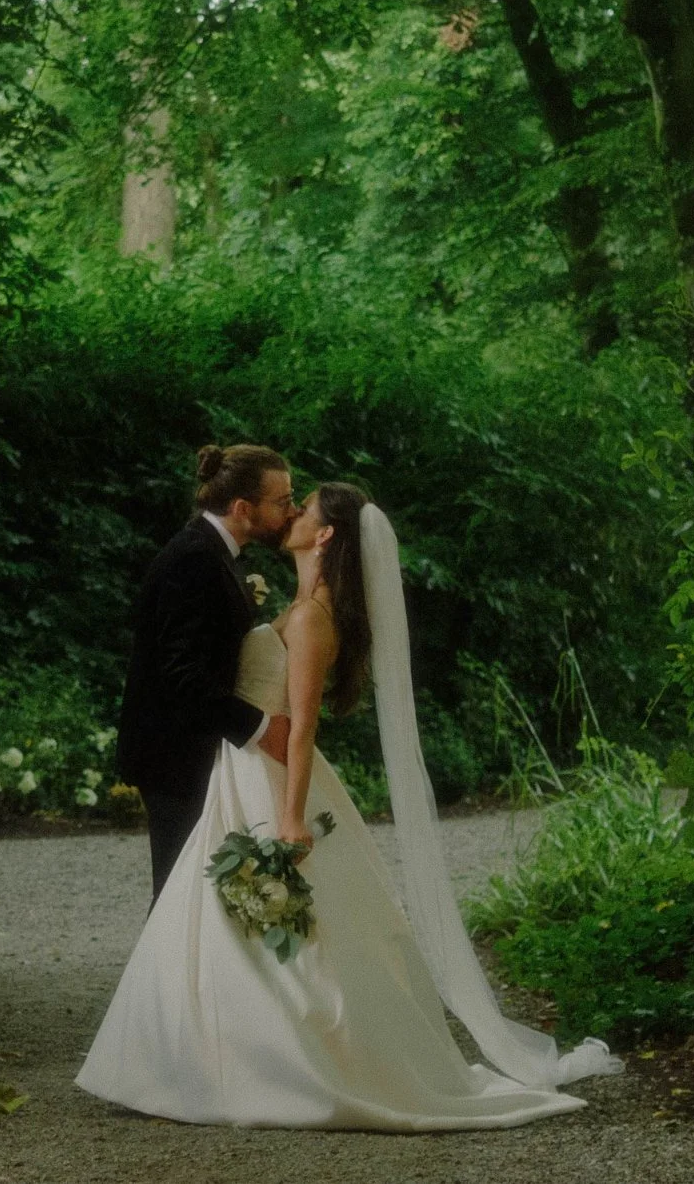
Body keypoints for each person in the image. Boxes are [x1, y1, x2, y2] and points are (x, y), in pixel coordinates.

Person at [78, 482, 621, 1130]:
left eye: (302, 508)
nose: (293, 514)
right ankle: (189, 1062)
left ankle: (248, 1066)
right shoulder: (303, 605)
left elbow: (301, 727)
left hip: (269, 780)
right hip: (241, 772)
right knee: (212, 920)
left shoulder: (312, 617)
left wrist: (289, 818)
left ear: (326, 534)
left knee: (260, 927)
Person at [113, 444, 299, 908]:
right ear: (242, 508)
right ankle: (167, 983)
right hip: (174, 753)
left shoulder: (209, 550)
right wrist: (260, 728)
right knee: (180, 895)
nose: (292, 511)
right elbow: (183, 676)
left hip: (190, 748)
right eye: (282, 501)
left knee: (198, 894)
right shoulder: (195, 559)